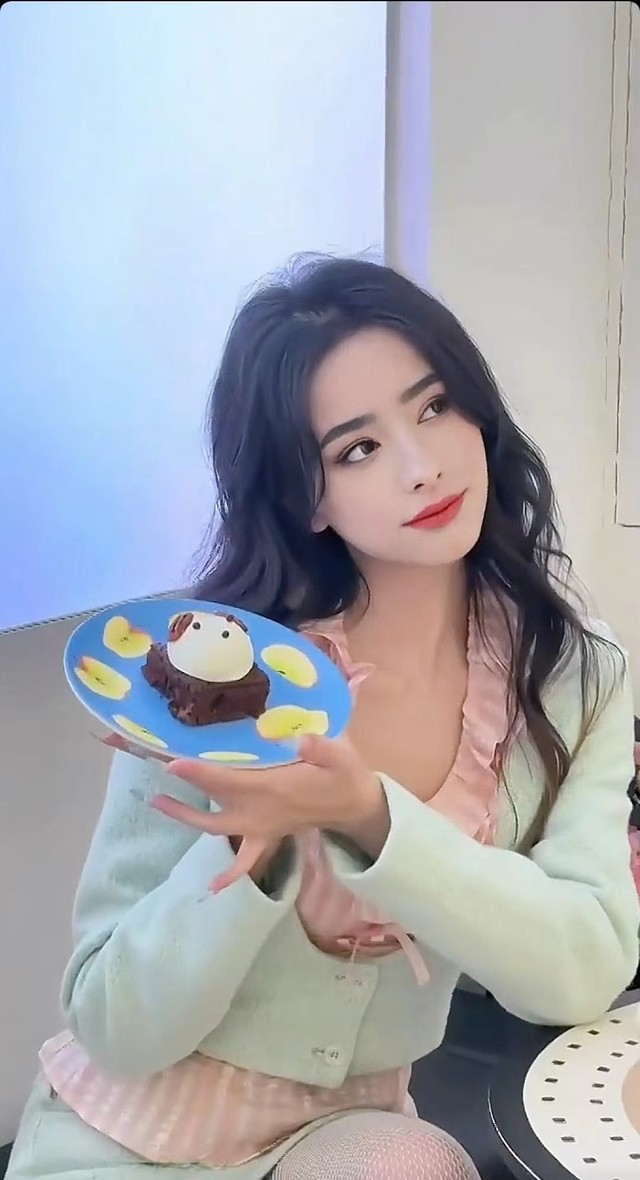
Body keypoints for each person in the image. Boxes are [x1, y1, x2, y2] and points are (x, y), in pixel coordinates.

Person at [8, 256, 640, 1180]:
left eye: (434, 407)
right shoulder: (214, 672)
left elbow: (583, 971)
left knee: (413, 1165)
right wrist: (245, 843)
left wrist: (370, 817)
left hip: (340, 1142)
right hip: (123, 1137)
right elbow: (115, 1026)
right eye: (358, 449)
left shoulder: (572, 674)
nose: (423, 466)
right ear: (305, 495)